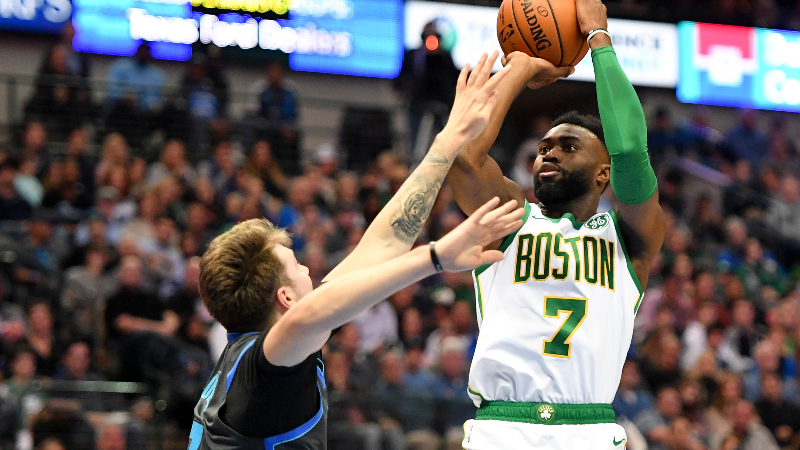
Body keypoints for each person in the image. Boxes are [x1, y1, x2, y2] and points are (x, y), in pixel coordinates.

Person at [188, 53, 516, 449]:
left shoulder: (246, 359)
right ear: (286, 298)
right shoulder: (262, 370)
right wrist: (434, 257)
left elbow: (385, 241)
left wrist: (448, 140)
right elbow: (308, 318)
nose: (309, 269)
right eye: (296, 266)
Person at [446, 0, 666, 447]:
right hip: (502, 427)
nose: (548, 152)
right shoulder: (510, 220)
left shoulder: (629, 241)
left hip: (589, 429)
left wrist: (597, 38)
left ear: (604, 173)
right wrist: (522, 67)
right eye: (544, 147)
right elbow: (465, 160)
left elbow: (629, 151)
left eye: (568, 147)